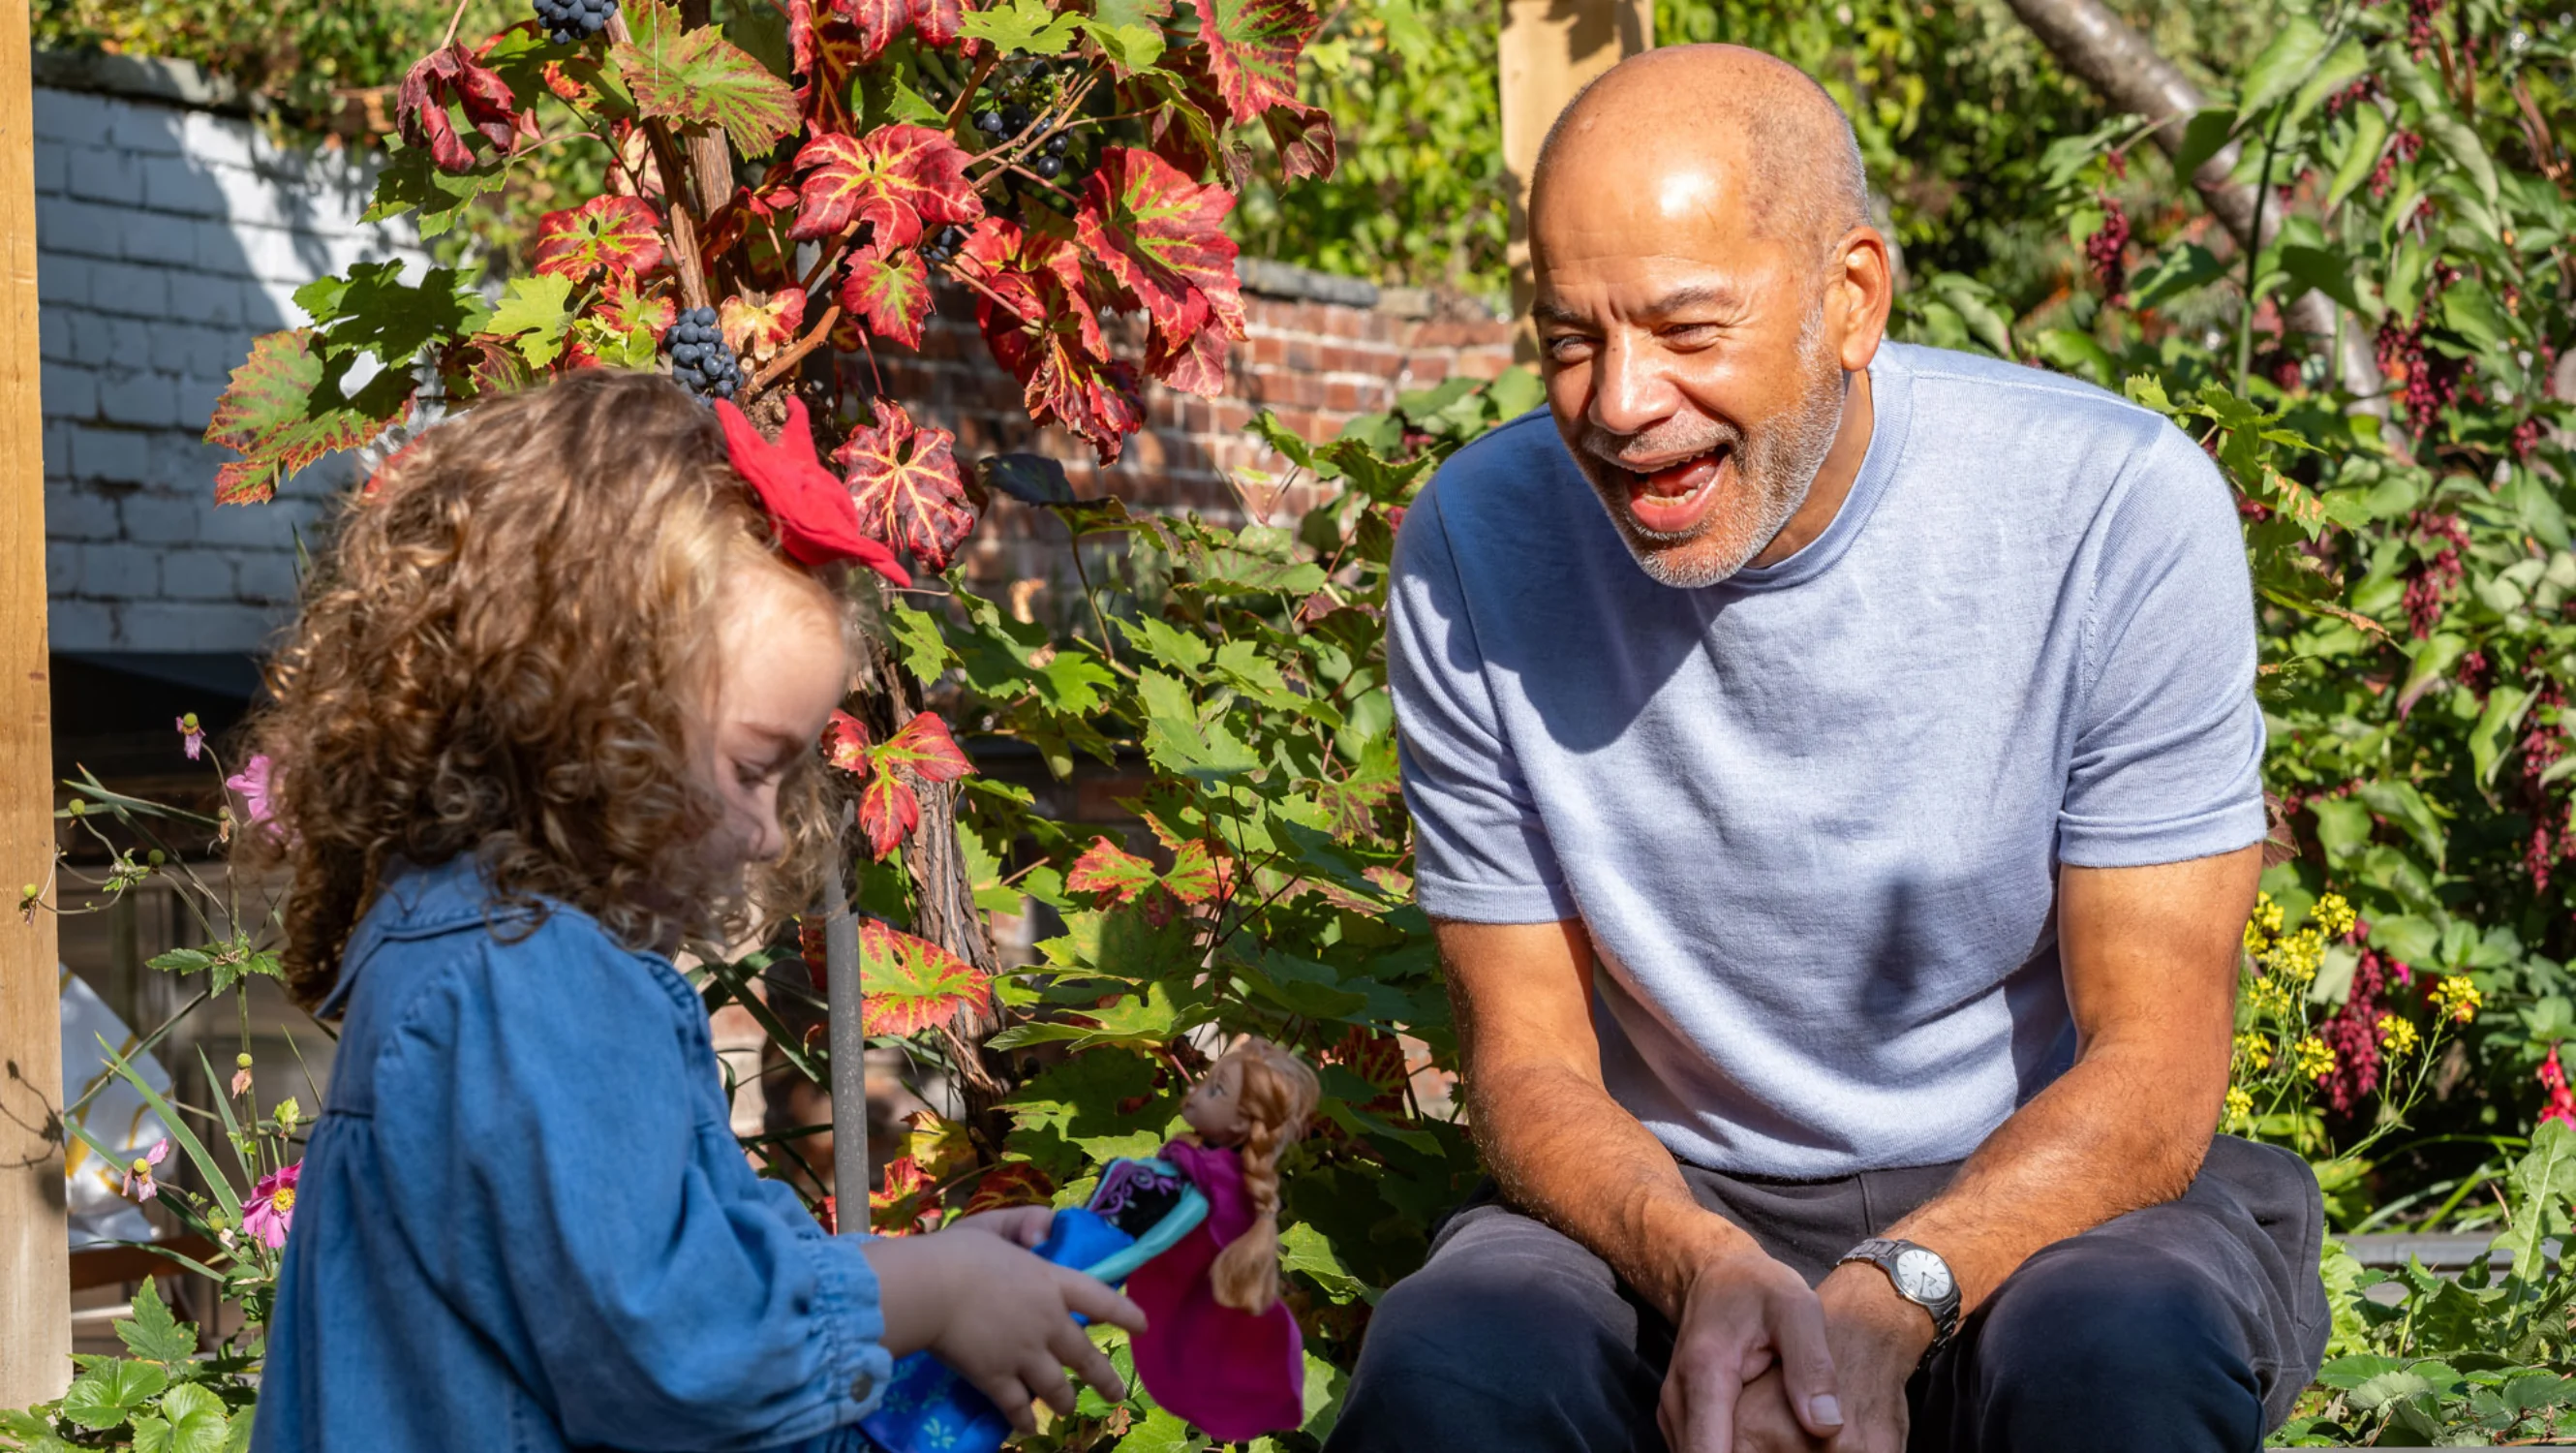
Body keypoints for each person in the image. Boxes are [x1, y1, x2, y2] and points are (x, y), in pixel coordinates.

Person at [1326, 44, 2326, 1453]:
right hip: (1667, 1194)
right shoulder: (1475, 546)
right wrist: (1702, 1267)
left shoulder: (2113, 512)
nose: (1618, 403)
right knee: (1453, 1366)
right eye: (1569, 338)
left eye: (1686, 329)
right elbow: (1531, 1059)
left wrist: (1898, 1287)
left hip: (2049, 1198)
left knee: (2119, 1357)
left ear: (1851, 298)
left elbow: (2156, 1068)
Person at [246, 371, 1145, 1452]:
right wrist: (928, 1288)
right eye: (755, 767)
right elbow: (683, 1346)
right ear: (593, 712)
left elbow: (643, 1264)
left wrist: (924, 1271)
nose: (771, 831)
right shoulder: (536, 986)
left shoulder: (460, 937)